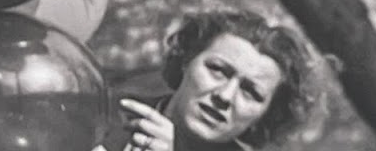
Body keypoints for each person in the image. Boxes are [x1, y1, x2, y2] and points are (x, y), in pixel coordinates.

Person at [109, 10, 318, 151]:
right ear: (186, 59)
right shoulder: (103, 115)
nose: (225, 96)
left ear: (267, 115)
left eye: (251, 93)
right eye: (217, 70)